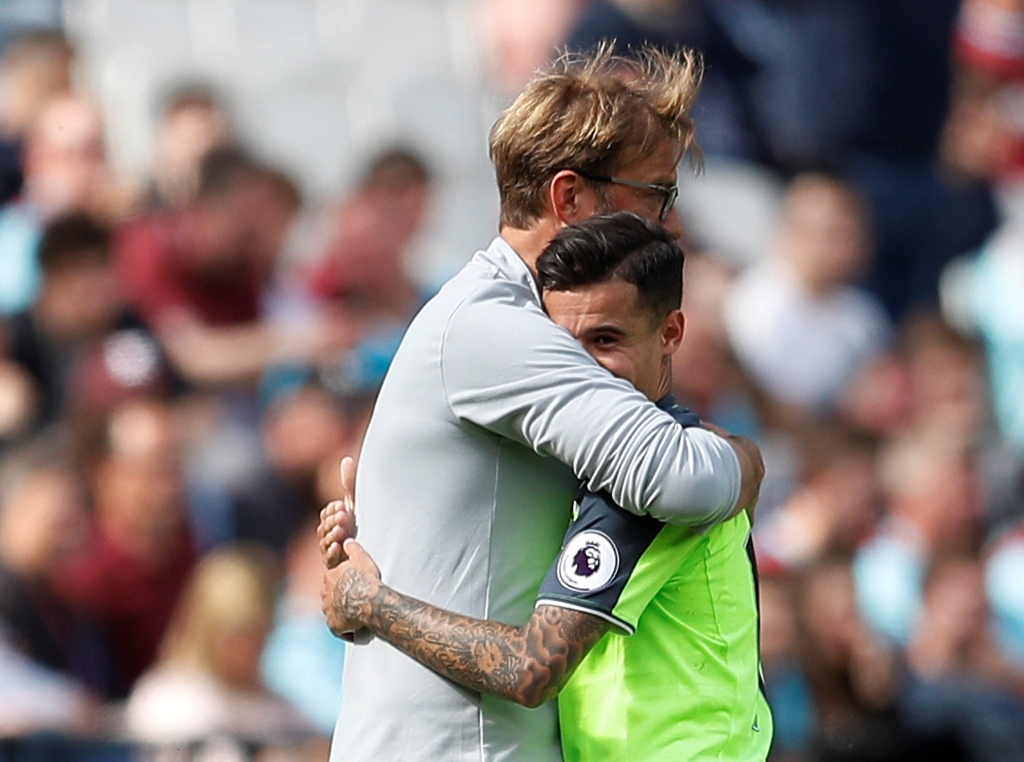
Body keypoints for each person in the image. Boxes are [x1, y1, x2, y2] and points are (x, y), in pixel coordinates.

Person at [317, 45, 764, 762]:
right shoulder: (495, 327)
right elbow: (685, 479)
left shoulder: (495, 319)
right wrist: (746, 458)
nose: (672, 223)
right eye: (657, 192)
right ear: (570, 199)